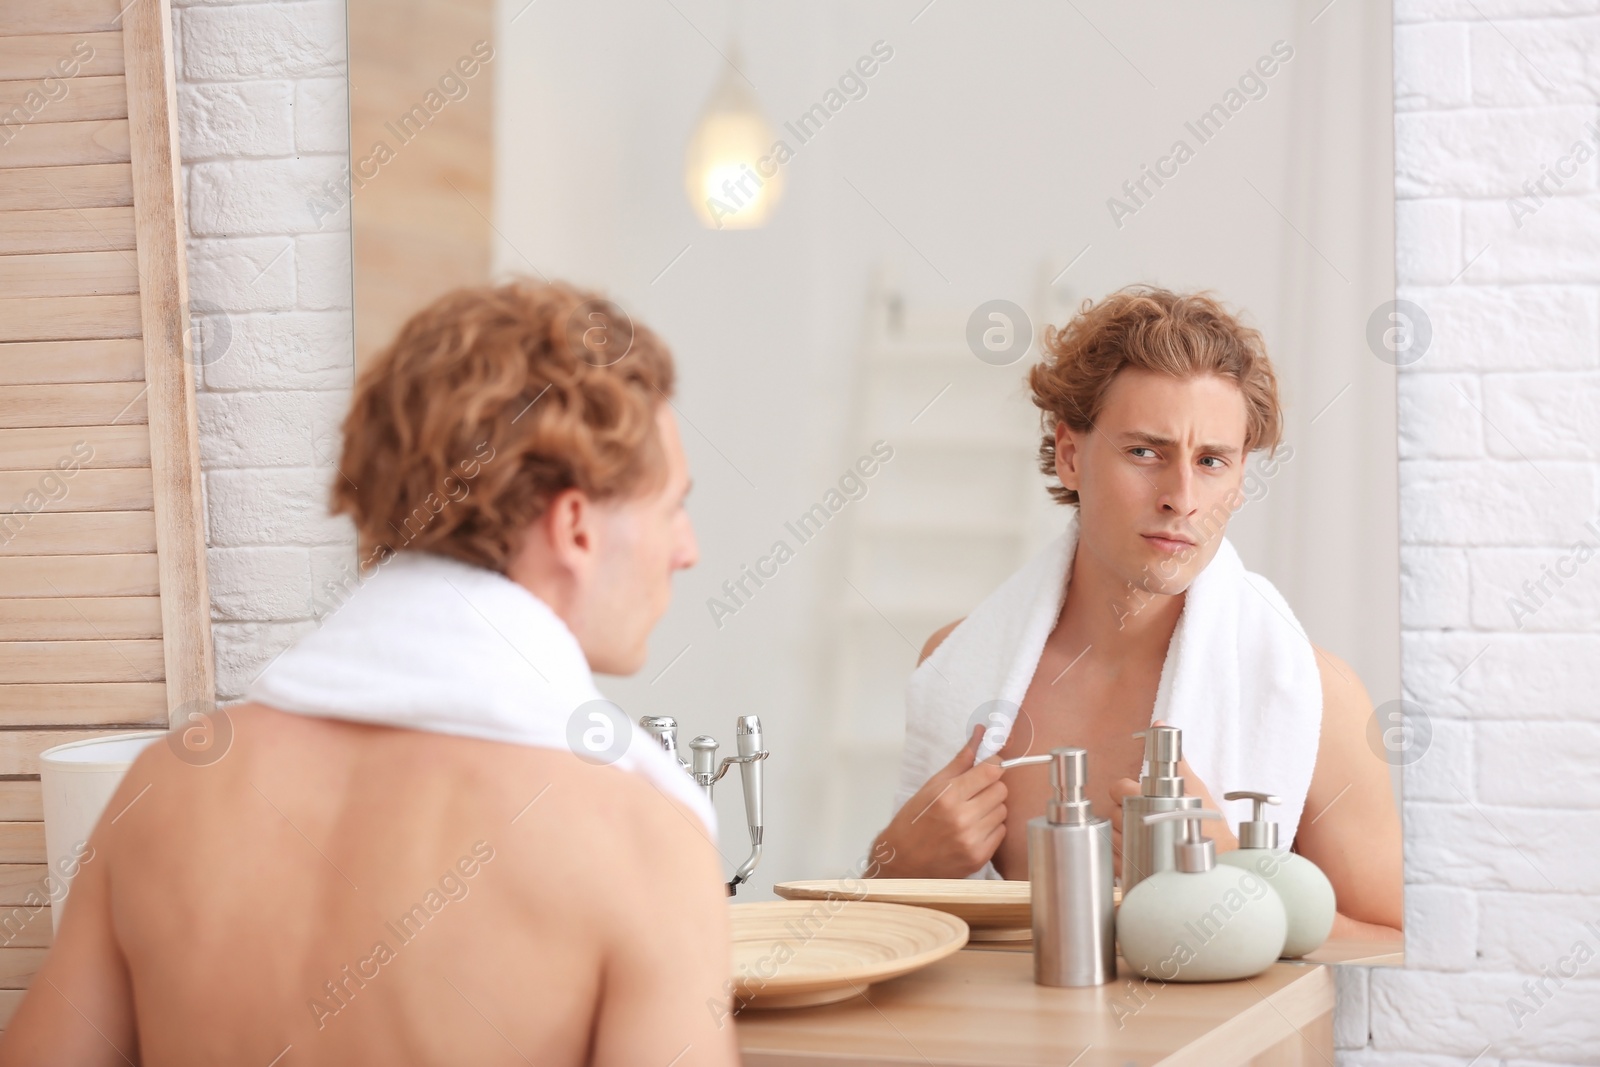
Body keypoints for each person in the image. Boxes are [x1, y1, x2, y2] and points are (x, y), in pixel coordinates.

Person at [0, 280, 741, 1065]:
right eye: (672, 509)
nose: (687, 549)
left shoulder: (167, 791)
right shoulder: (639, 844)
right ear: (575, 529)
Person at [870, 286, 1403, 942]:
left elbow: (1396, 945)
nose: (1181, 497)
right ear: (1070, 455)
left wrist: (1233, 876)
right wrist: (892, 865)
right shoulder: (956, 665)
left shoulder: (1316, 694)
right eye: (1145, 452)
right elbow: (883, 930)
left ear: (1237, 482)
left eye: (1211, 461)